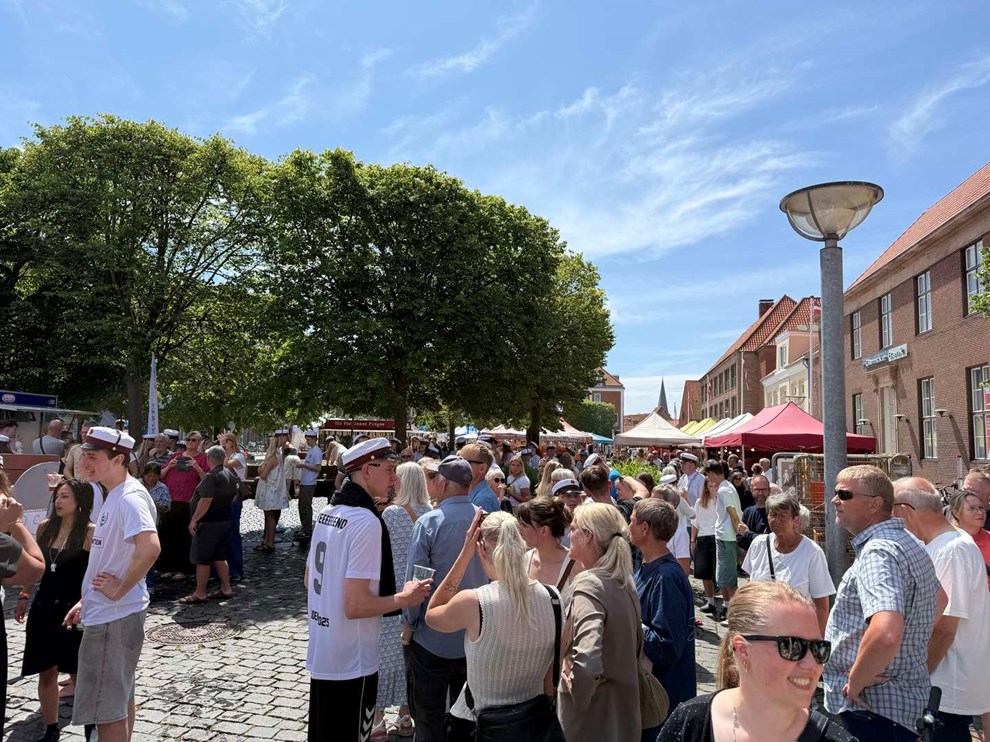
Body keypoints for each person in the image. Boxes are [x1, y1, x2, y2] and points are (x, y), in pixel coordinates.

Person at [304, 438, 432, 742]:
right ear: (365, 470)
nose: (395, 478)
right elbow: (356, 606)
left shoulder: (330, 511)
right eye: (389, 469)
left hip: (324, 649)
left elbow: (309, 580)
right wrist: (405, 598)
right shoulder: (366, 521)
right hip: (353, 659)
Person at [823, 465, 939, 742]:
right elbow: (940, 597)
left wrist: (856, 680)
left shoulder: (879, 552)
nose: (834, 500)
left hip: (872, 711)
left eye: (844, 494)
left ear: (875, 504)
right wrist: (904, 653)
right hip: (898, 707)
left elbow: (886, 632)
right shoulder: (907, 540)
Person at [426, 510, 564, 742]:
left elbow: (432, 614)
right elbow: (548, 681)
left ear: (481, 549)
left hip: (478, 725)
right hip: (533, 726)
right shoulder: (553, 598)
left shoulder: (475, 602)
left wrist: (463, 556)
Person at [657, 581, 855, 742]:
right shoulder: (689, 723)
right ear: (743, 649)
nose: (813, 665)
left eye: (819, 649)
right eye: (793, 647)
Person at [63, 426, 160, 742]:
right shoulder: (115, 493)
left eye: (92, 457)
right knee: (119, 701)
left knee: (108, 714)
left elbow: (150, 547)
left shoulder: (128, 498)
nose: (84, 463)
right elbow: (112, 555)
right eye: (84, 455)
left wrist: (119, 589)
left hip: (113, 617)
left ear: (118, 459)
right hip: (111, 612)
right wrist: (87, 598)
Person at [893, 478, 990, 740]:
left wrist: (914, 679)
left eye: (892, 511)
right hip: (943, 684)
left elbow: (945, 629)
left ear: (905, 511)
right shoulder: (946, 545)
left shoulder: (950, 551)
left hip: (945, 687)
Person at [404, 456, 490, 742]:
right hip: (474, 636)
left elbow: (417, 583)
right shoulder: (485, 519)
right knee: (468, 720)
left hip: (433, 636)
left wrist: (410, 624)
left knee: (428, 717)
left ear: (443, 483)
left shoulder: (430, 523)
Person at [16, 479, 94, 742]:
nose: (59, 502)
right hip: (45, 606)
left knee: (78, 670)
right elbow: (36, 565)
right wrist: (25, 594)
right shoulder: (45, 528)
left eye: (65, 497)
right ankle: (51, 728)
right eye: (57, 497)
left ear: (80, 502)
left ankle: (90, 725)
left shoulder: (89, 533)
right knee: (45, 668)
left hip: (74, 609)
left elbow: (94, 573)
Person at [558, 503, 641, 742]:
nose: (569, 534)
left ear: (588, 536)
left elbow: (587, 658)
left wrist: (579, 698)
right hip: (623, 716)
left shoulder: (589, 585)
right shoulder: (623, 580)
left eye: (573, 528)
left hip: (591, 723)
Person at [372, 461, 433, 740]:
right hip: (420, 595)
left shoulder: (392, 514)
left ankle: (379, 719)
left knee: (385, 657)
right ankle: (406, 717)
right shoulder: (433, 514)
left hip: (392, 593)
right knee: (411, 658)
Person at [630, 499, 696, 721]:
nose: (628, 526)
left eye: (632, 521)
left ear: (645, 528)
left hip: (662, 703)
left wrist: (630, 621)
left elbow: (665, 646)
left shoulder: (667, 578)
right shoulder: (647, 566)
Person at [740, 492, 834, 634]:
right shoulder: (759, 544)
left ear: (796, 520)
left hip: (795, 633)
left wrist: (817, 643)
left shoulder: (812, 552)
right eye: (773, 515)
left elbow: (821, 606)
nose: (777, 520)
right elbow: (750, 587)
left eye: (783, 515)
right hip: (760, 629)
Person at [178, 446, 237, 604]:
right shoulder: (229, 474)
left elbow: (205, 500)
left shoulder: (212, 476)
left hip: (209, 523)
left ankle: (200, 593)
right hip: (223, 520)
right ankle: (226, 588)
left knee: (202, 558)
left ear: (209, 458)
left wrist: (194, 520)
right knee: (219, 556)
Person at [159, 431, 208, 577]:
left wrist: (196, 467)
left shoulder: (202, 458)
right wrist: (169, 467)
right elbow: (160, 475)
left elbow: (207, 480)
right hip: (171, 500)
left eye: (194, 440)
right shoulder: (175, 456)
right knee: (168, 534)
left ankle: (184, 569)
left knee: (184, 537)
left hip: (189, 501)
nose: (191, 443)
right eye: (188, 440)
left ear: (199, 442)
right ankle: (168, 568)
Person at [517, 493, 582, 592]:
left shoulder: (575, 566)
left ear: (544, 531)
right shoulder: (525, 560)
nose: (520, 529)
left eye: (525, 525)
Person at [706, 460, 740, 623]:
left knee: (727, 577)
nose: (709, 478)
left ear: (713, 473)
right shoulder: (727, 487)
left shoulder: (725, 489)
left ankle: (734, 613)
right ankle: (729, 608)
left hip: (726, 536)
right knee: (724, 577)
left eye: (708, 474)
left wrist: (738, 528)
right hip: (725, 535)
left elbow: (731, 511)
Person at [254, 430, 290, 552]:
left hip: (270, 491)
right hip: (272, 490)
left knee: (270, 517)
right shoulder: (278, 456)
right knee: (269, 516)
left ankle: (269, 542)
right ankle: (267, 541)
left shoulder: (273, 457)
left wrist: (260, 470)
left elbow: (263, 475)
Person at [651, 480, 694, 577]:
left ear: (670, 504)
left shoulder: (680, 533)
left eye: (656, 501)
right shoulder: (650, 529)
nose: (650, 504)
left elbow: (683, 570)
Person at [949, 490, 990, 590]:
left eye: (981, 508)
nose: (980, 513)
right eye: (972, 509)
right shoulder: (948, 543)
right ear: (956, 513)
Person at [218, 433, 245, 581]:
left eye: (226, 441)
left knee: (233, 531)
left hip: (233, 497)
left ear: (232, 443)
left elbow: (226, 464)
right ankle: (221, 569)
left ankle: (236, 569)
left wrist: (222, 448)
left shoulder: (239, 457)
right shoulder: (225, 455)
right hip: (221, 496)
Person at [693, 476, 720, 618]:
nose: (713, 489)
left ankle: (727, 603)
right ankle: (710, 602)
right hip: (703, 537)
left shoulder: (720, 500)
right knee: (705, 573)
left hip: (717, 537)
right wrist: (693, 540)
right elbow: (695, 523)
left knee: (719, 572)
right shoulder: (700, 503)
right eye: (710, 486)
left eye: (715, 486)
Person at [295, 430, 323, 545]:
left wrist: (303, 465)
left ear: (314, 439)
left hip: (310, 483)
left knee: (306, 506)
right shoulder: (311, 450)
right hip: (305, 481)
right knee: (302, 505)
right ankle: (304, 527)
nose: (307, 440)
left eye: (309, 439)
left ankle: (307, 529)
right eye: (306, 438)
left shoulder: (316, 451)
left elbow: (318, 468)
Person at [734, 474, 770, 554]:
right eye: (757, 489)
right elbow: (740, 539)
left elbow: (769, 542)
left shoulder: (774, 512)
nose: (760, 493)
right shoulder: (748, 511)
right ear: (751, 490)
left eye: (763, 489)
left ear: (769, 490)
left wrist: (747, 533)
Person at [461, 443, 500, 514]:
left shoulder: (483, 499)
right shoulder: (476, 493)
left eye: (464, 462)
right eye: (458, 460)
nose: (458, 465)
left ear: (482, 468)